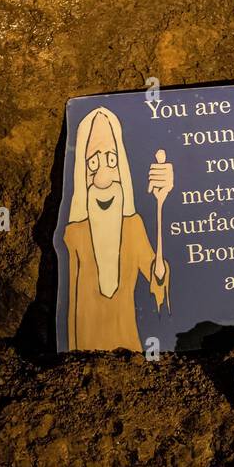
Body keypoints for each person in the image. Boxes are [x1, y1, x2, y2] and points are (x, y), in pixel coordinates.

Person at [62, 107, 172, 351]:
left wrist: (160, 204)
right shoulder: (74, 234)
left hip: (128, 343)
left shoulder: (133, 227)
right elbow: (68, 299)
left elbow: (157, 279)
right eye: (93, 163)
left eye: (111, 160)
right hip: (84, 343)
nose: (103, 176)